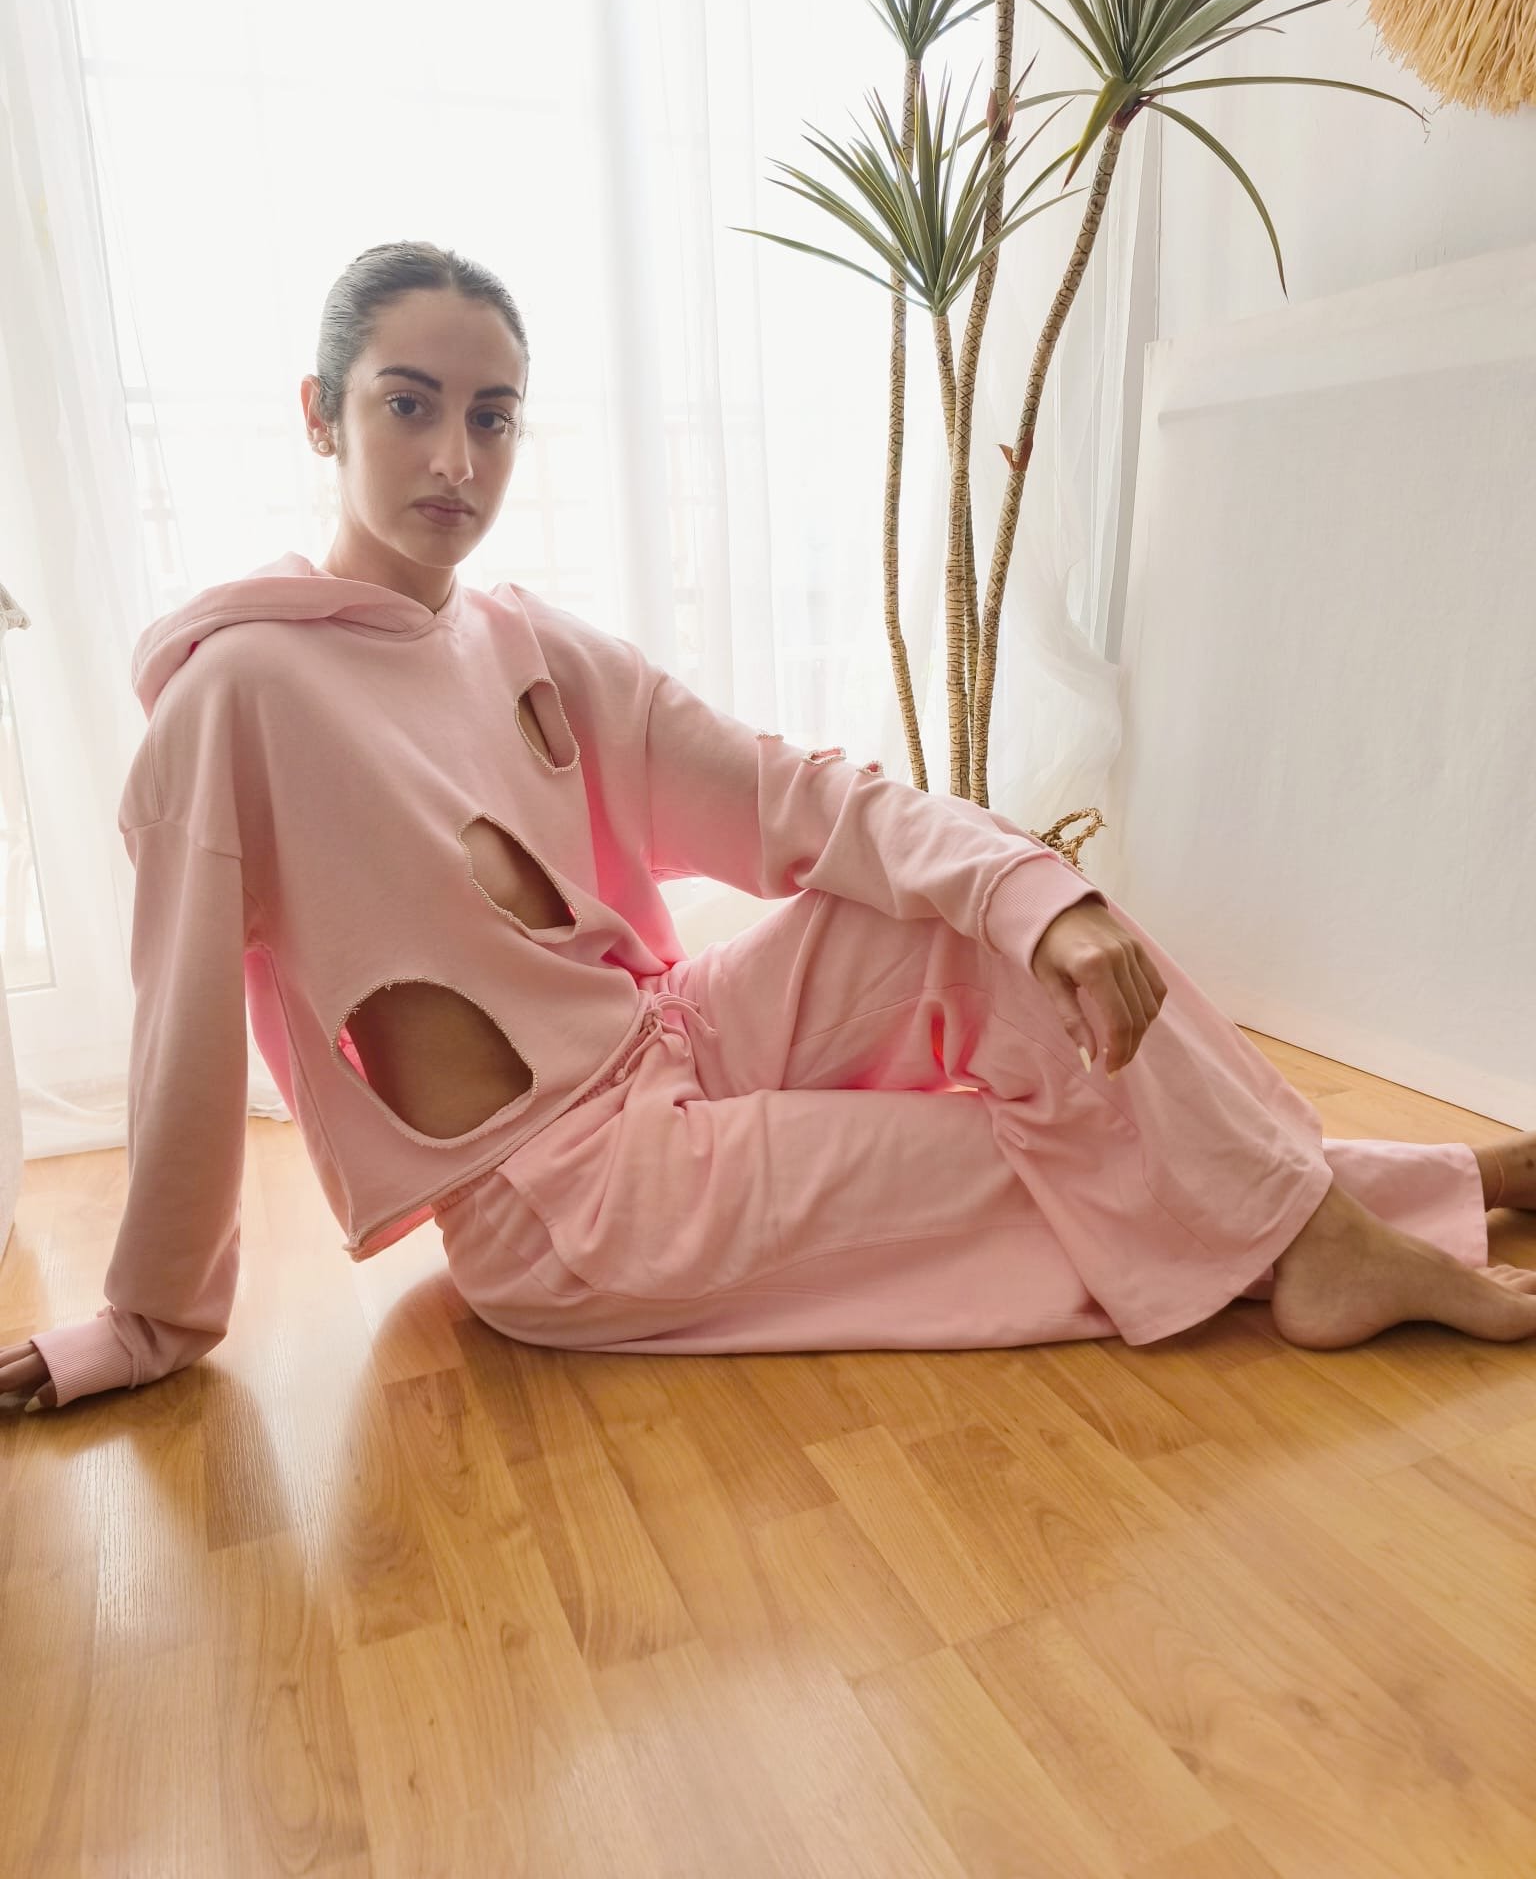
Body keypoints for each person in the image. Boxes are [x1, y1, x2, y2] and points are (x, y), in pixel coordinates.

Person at [6, 240, 1536, 1417]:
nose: (456, 460)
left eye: (492, 416)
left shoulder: (522, 638)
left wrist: (1042, 897)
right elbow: (178, 1016)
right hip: (566, 1201)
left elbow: (793, 794)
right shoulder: (242, 696)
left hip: (668, 1035)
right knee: (999, 1150)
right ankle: (1368, 1206)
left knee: (994, 932)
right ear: (321, 413)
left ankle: (1358, 1211)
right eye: (408, 406)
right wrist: (146, 1320)